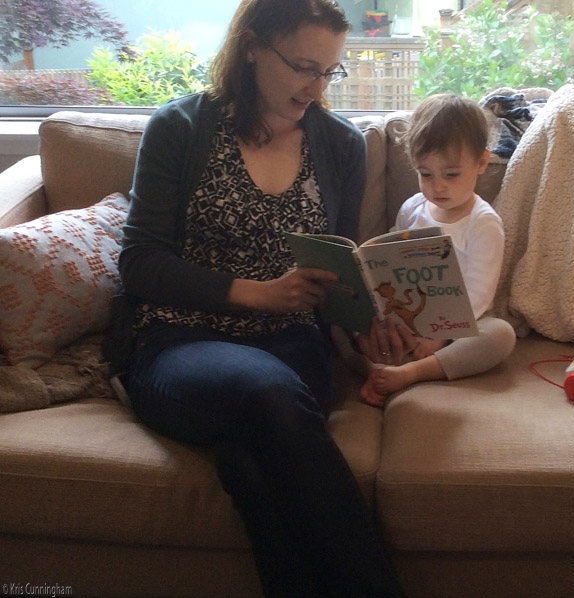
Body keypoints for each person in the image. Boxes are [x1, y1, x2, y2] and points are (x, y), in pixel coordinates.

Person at [116, 1, 405, 596]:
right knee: (267, 393)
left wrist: (368, 321)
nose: (317, 88)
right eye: (304, 67)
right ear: (251, 47)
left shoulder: (341, 145)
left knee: (250, 460)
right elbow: (140, 262)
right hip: (180, 339)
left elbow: (336, 267)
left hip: (293, 344)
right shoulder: (181, 129)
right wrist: (257, 294)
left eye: (330, 71)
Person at [357, 94, 517, 407]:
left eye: (451, 174)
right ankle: (375, 368)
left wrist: (439, 335)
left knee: (500, 334)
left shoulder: (483, 223)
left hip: (458, 326)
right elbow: (388, 262)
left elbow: (479, 295)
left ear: (481, 163)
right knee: (337, 324)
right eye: (426, 174)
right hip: (405, 316)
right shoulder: (412, 209)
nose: (438, 186)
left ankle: (413, 372)